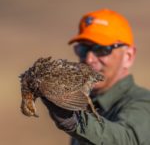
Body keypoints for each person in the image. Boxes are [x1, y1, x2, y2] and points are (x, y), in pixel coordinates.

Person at [42, 9, 150, 145]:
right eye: (83, 49)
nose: (89, 59)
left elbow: (128, 139)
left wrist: (75, 121)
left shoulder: (143, 104)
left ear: (128, 56)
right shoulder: (85, 104)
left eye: (102, 49)